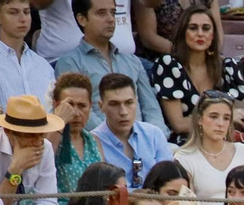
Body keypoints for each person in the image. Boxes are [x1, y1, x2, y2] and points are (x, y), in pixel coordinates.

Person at [52, 0, 166, 130]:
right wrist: (114, 138)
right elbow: (79, 112)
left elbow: (151, 108)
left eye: (113, 13)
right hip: (99, 143)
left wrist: (156, 138)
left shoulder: (132, 62)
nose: (111, 19)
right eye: (101, 13)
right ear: (82, 19)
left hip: (143, 140)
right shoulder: (70, 63)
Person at [151, 4, 244, 144]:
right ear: (183, 33)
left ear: (213, 35)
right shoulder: (169, 66)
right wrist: (226, 119)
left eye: (206, 28)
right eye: (193, 28)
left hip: (224, 141)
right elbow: (178, 124)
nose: (200, 33)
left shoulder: (228, 67)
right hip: (187, 142)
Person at [172, 90, 244, 204]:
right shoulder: (184, 157)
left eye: (226, 118)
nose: (220, 124)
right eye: (213, 116)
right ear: (199, 119)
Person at [93, 73, 172, 188]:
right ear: (101, 106)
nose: (123, 112)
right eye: (114, 104)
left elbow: (168, 181)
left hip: (156, 203)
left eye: (129, 103)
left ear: (136, 102)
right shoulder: (93, 141)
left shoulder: (153, 134)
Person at [0, 0, 54, 111]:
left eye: (26, 12)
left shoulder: (43, 65)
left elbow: (52, 109)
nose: (22, 19)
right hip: (1, 128)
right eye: (13, 12)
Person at [47, 70, 99, 200]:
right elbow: (42, 161)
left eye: (82, 106)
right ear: (56, 105)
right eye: (69, 105)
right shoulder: (44, 136)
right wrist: (59, 123)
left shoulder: (93, 140)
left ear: (90, 106)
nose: (76, 113)